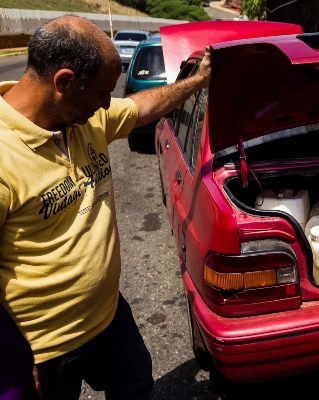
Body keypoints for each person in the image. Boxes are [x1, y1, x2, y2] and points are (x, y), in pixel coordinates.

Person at [0, 15, 211, 399]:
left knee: (135, 387)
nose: (104, 106)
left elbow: (140, 107)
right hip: (45, 347)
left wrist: (196, 81)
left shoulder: (83, 119)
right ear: (63, 82)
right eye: (100, 94)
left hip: (108, 316)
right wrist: (8, 360)